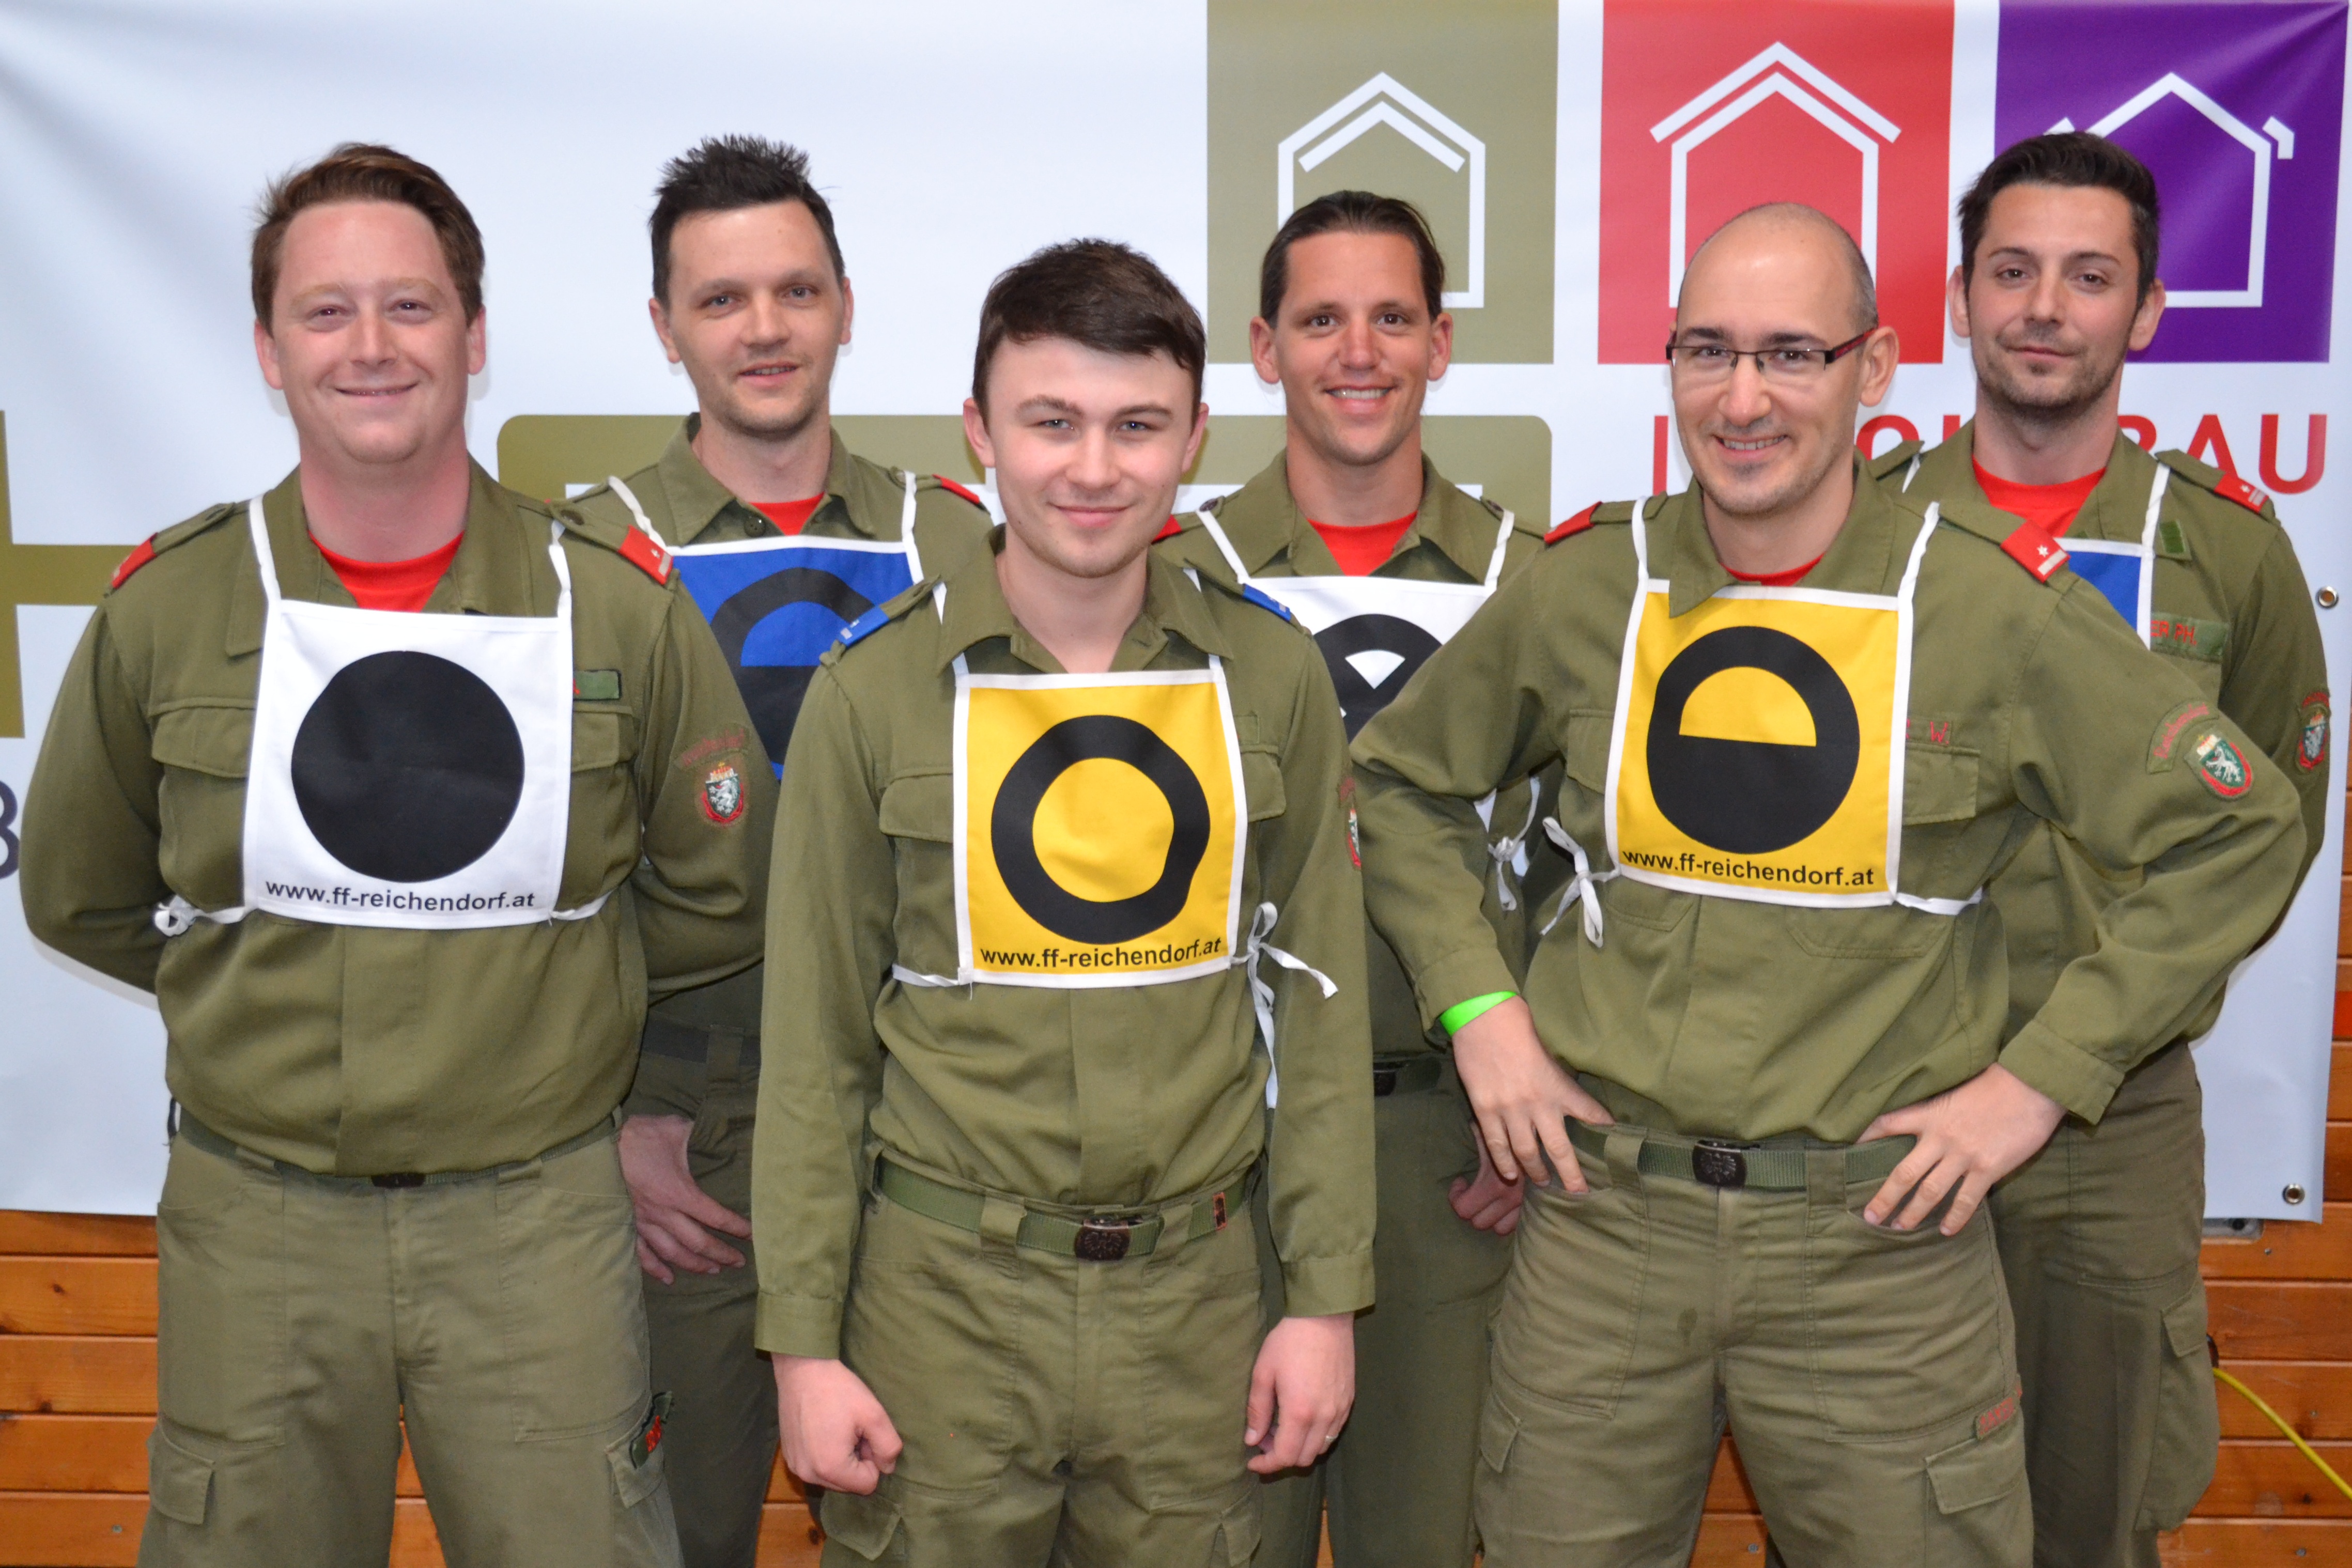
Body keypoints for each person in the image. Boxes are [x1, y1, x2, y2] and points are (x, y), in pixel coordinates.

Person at [1348, 201, 2307, 1567]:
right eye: (1707, 351)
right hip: (1608, 1237)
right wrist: (1477, 1013)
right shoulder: (1588, 585)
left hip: (1880, 1254)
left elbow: (2241, 829)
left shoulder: (1989, 608)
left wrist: (2036, 1083)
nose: (1742, 400)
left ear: (1876, 368)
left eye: (1792, 355)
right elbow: (1399, 781)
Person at [20, 144, 772, 1567]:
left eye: (412, 306)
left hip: (537, 1225)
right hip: (259, 1226)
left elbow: (718, 890)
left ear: (475, 337)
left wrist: (557, 999)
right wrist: (269, 988)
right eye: (327, 311)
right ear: (268, 350)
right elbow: (80, 893)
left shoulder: (612, 609)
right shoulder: (168, 610)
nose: (371, 346)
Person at [753, 238, 1375, 1565]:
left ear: (1193, 439)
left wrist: (1323, 1302)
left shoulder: (1272, 678)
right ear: (978, 432)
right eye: (1050, 422)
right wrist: (801, 1344)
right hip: (941, 1313)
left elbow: (1319, 1019)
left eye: (1136, 426)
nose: (1093, 469)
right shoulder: (868, 692)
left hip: (1197, 1316)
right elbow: (814, 1048)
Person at [1867, 132, 2331, 1568]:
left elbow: (2268, 835)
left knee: (2093, 1506)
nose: (2044, 309)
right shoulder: (1862, 531)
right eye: (2011, 272)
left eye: (2087, 277)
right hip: (1871, 1098)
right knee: (1862, 1505)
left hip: (2104, 1120)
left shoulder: (2228, 552)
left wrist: (2072, 1055)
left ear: (2146, 311)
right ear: (1959, 300)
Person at [563, 135, 994, 1568]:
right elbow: (541, 890)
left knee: (927, 1525)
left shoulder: (964, 544)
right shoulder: (585, 557)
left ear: (846, 306)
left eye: (796, 291)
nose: (763, 328)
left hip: (925, 1115)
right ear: (664, 326)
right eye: (721, 298)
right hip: (682, 1130)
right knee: (673, 1536)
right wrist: (607, 1120)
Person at [1155, 189, 1541, 1568]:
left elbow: (1591, 864)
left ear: (1441, 342)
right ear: (1264, 349)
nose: (1358, 352)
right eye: (1321, 320)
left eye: (1391, 317)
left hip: (1453, 1163)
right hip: (1220, 1160)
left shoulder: (1533, 583)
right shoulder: (1168, 583)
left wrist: (1540, 1095)